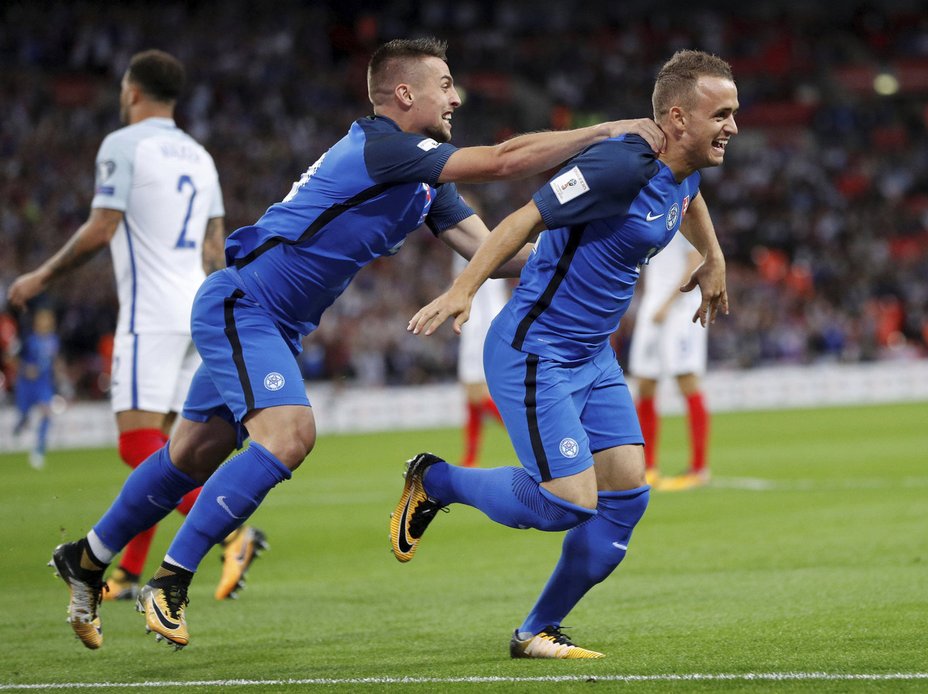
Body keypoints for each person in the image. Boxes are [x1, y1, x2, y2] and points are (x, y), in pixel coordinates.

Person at [32, 37, 664, 652]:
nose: (456, 98)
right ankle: (170, 582)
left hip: (273, 324)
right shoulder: (383, 147)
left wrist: (587, 256)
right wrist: (601, 132)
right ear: (403, 91)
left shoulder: (424, 183)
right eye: (445, 86)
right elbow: (501, 162)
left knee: (191, 453)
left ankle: (87, 558)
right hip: (243, 304)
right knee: (290, 435)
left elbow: (494, 252)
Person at [397, 49, 736, 659]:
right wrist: (464, 288)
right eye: (722, 115)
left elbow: (690, 196)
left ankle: (535, 631)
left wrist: (713, 257)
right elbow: (523, 219)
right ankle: (437, 481)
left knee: (627, 496)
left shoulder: (687, 162)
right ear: (678, 118)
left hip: (593, 356)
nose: (733, 127)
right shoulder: (616, 164)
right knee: (567, 504)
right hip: (536, 350)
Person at [7, 49, 263, 648]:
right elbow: (214, 245)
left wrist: (40, 278)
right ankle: (113, 568)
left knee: (135, 442)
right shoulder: (201, 157)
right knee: (173, 451)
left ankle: (230, 533)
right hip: (198, 311)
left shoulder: (123, 144)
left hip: (150, 315)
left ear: (131, 91)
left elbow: (101, 227)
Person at [628, 233, 711, 491]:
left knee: (686, 379)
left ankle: (699, 468)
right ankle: (649, 467)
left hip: (680, 307)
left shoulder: (683, 210)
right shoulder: (648, 211)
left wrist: (668, 302)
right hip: (653, 305)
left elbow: (695, 258)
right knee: (644, 383)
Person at [453, 250, 508, 467]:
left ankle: (526, 432)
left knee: (476, 394)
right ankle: (470, 458)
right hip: (478, 325)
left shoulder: (473, 248)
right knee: (471, 394)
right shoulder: (481, 243)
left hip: (481, 327)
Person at [12, 307, 61, 470]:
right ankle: (19, 426)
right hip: (26, 385)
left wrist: (59, 375)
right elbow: (10, 357)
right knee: (24, 417)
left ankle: (39, 451)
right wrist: (25, 369)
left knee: (46, 413)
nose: (46, 322)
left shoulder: (54, 340)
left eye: (48, 318)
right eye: (43, 318)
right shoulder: (28, 339)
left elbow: (54, 360)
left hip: (44, 384)